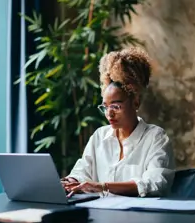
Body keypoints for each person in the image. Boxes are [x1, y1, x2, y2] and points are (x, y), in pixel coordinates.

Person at [62, 47, 175, 198]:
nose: (109, 113)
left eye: (116, 106)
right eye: (106, 107)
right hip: (102, 216)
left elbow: (155, 183)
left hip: (141, 218)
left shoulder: (156, 138)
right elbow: (82, 171)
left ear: (135, 102)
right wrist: (69, 181)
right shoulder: (99, 136)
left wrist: (102, 186)